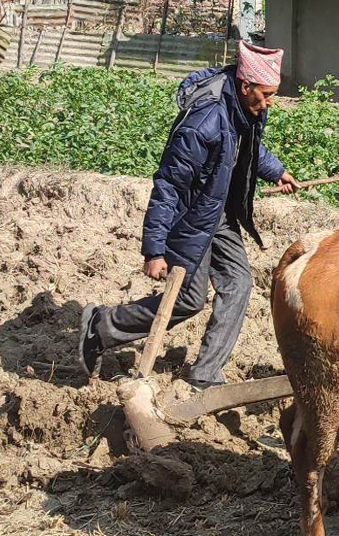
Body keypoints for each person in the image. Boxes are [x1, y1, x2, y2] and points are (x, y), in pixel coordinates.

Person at [78, 40, 299, 389]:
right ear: (246, 86)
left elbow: (246, 147)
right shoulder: (204, 121)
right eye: (267, 94)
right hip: (192, 217)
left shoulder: (246, 108)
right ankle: (102, 326)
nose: (271, 101)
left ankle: (205, 373)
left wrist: (275, 170)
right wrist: (154, 249)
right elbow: (169, 183)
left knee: (239, 283)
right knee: (187, 301)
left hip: (219, 212)